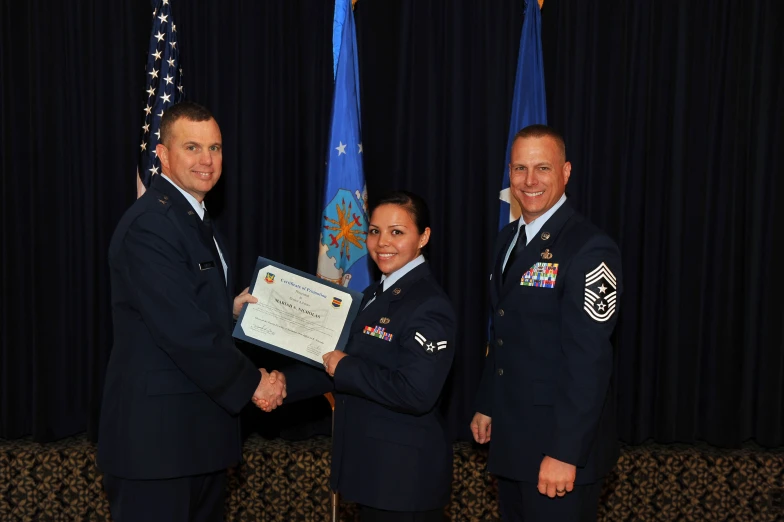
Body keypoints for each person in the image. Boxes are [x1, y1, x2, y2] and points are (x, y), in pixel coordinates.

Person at [97, 101, 285, 522]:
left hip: (194, 438)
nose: (206, 160)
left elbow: (180, 305)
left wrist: (228, 307)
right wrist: (254, 381)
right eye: (193, 147)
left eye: (215, 148)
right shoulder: (151, 224)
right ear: (162, 155)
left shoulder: (194, 219)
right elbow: (182, 330)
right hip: (157, 446)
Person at [259, 191, 456, 522]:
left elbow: (416, 392)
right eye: (375, 231)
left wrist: (347, 366)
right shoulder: (370, 296)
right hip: (374, 473)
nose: (382, 242)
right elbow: (332, 361)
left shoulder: (428, 304)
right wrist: (282, 383)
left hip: (404, 482)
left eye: (397, 232)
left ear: (423, 237)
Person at [471, 125, 623, 521]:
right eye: (520, 169)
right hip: (512, 439)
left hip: (557, 448)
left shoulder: (589, 247)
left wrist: (564, 452)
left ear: (566, 171)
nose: (529, 181)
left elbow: (589, 362)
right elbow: (502, 330)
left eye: (542, 168)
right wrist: (488, 403)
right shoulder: (507, 239)